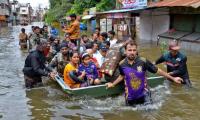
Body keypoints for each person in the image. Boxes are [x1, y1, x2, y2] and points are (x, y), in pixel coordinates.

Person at [106, 40, 183, 106]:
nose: (132, 52)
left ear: (136, 51)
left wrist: (173, 78)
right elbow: (122, 76)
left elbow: (158, 70)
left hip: (144, 95)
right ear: (125, 51)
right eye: (129, 50)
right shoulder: (121, 64)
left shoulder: (143, 61)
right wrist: (113, 84)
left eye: (134, 50)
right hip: (130, 97)